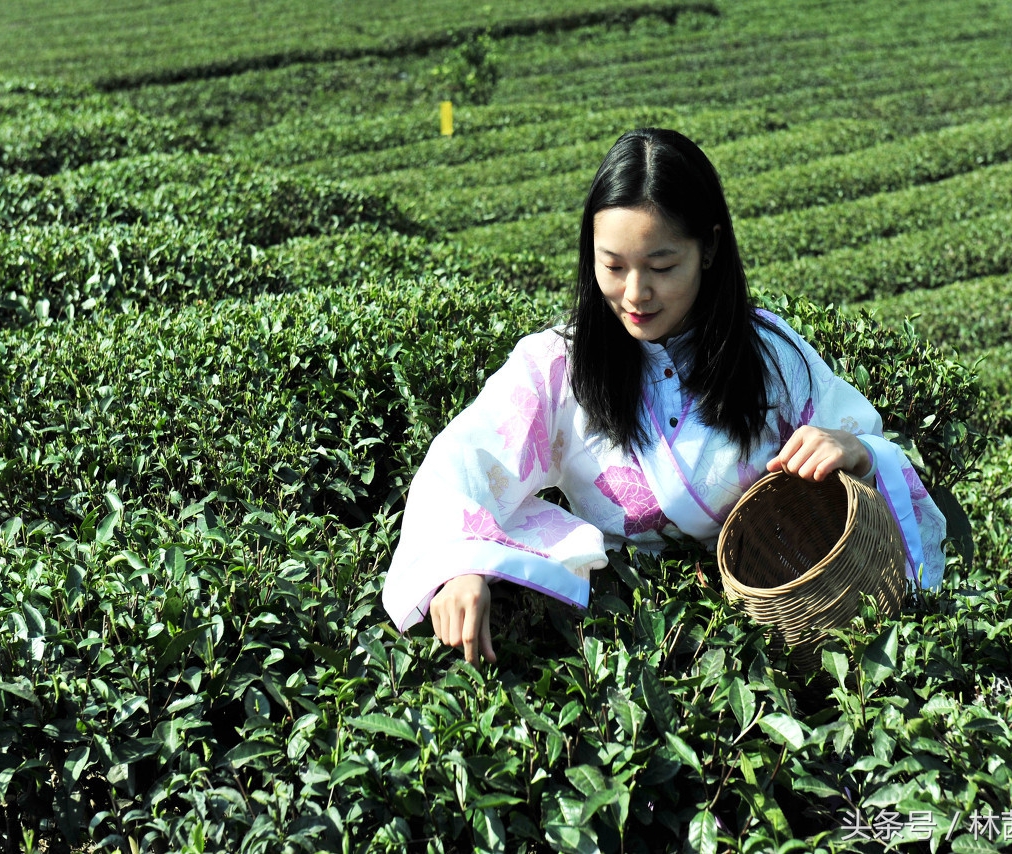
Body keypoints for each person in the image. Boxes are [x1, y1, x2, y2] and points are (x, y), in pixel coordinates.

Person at [382, 128, 946, 665]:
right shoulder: (557, 366)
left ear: (709, 249)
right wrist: (458, 563)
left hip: (776, 630)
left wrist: (855, 450)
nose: (634, 293)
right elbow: (464, 462)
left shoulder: (768, 355)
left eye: (661, 266)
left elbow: (868, 448)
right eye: (613, 266)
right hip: (619, 642)